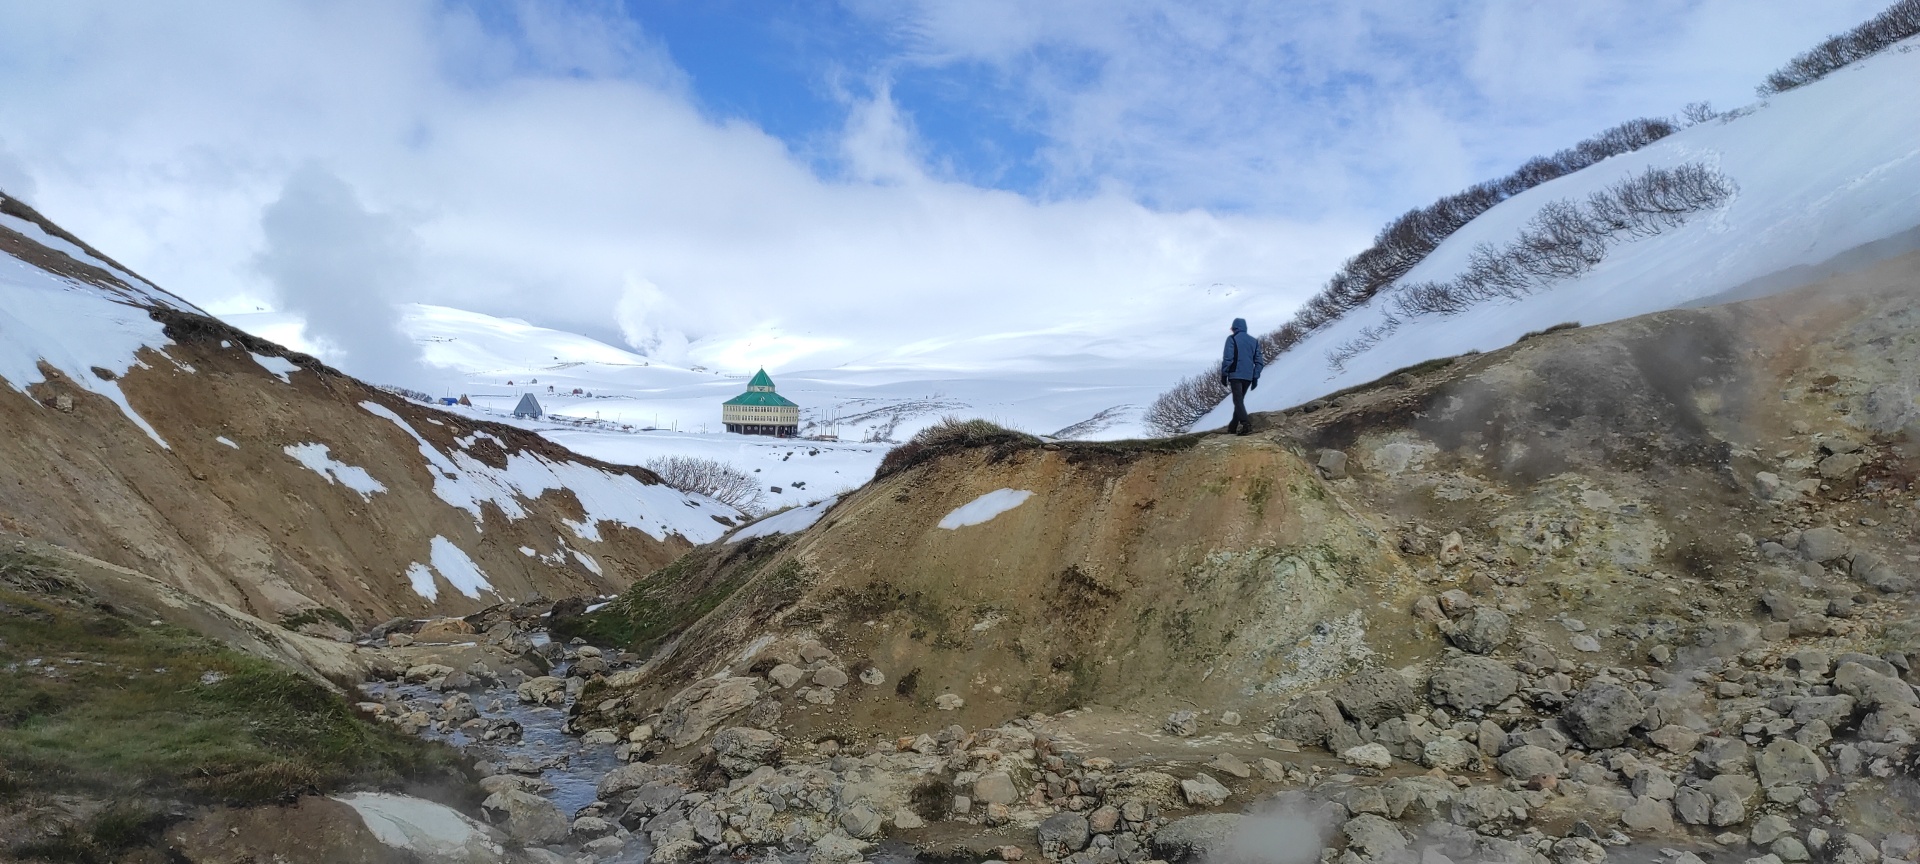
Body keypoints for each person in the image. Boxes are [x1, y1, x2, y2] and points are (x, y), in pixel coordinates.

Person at [1220, 317, 1264, 435]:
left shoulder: (1232, 339)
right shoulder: (1254, 341)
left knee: (1238, 401)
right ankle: (1232, 427)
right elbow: (1259, 362)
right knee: (1239, 401)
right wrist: (1255, 377)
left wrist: (1224, 374)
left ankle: (1246, 425)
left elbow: (1228, 358)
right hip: (1248, 377)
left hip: (1235, 375)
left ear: (1235, 328)